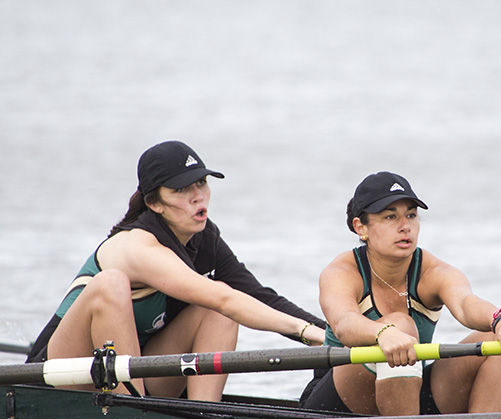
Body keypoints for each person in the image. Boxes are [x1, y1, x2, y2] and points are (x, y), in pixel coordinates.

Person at [26, 140, 327, 401]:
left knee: (218, 312)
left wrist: (330, 334)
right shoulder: (138, 246)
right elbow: (225, 298)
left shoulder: (204, 239)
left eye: (201, 183)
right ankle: (133, 415)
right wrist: (304, 333)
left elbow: (258, 297)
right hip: (57, 379)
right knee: (112, 283)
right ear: (154, 203)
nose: (198, 196)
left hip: (135, 372)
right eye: (182, 189)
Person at [300, 171, 501, 416]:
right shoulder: (342, 272)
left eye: (411, 215)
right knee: (400, 324)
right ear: (361, 227)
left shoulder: (433, 270)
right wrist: (383, 333)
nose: (405, 227)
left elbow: (465, 304)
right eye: (390, 217)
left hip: (411, 386)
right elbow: (344, 323)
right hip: (336, 403)